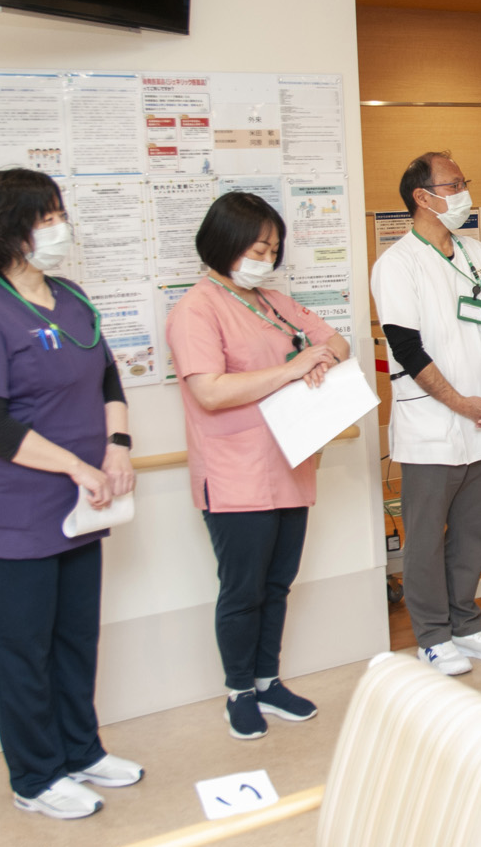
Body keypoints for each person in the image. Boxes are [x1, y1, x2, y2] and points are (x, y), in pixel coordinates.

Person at [0, 168, 142, 820]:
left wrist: (117, 446)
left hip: (78, 505)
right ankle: (35, 777)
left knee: (74, 638)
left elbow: (108, 379)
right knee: (20, 652)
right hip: (8, 510)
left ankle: (81, 750)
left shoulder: (71, 297)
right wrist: (76, 467)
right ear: (7, 230)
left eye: (60, 214)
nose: (60, 227)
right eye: (45, 217)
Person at [165, 192, 348, 739]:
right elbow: (210, 391)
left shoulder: (272, 302)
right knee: (242, 590)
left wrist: (321, 361)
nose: (266, 259)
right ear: (224, 243)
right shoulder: (196, 309)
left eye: (272, 249)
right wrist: (293, 369)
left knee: (277, 584)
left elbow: (337, 342)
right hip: (235, 473)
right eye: (257, 248)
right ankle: (239, 692)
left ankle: (269, 681)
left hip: (289, 464)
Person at [371, 151, 481, 674]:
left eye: (463, 182)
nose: (464, 193)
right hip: (432, 425)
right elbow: (406, 350)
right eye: (453, 185)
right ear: (422, 196)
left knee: (474, 534)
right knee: (426, 538)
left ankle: (466, 624)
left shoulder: (477, 254)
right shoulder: (397, 265)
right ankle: (432, 636)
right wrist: (459, 402)